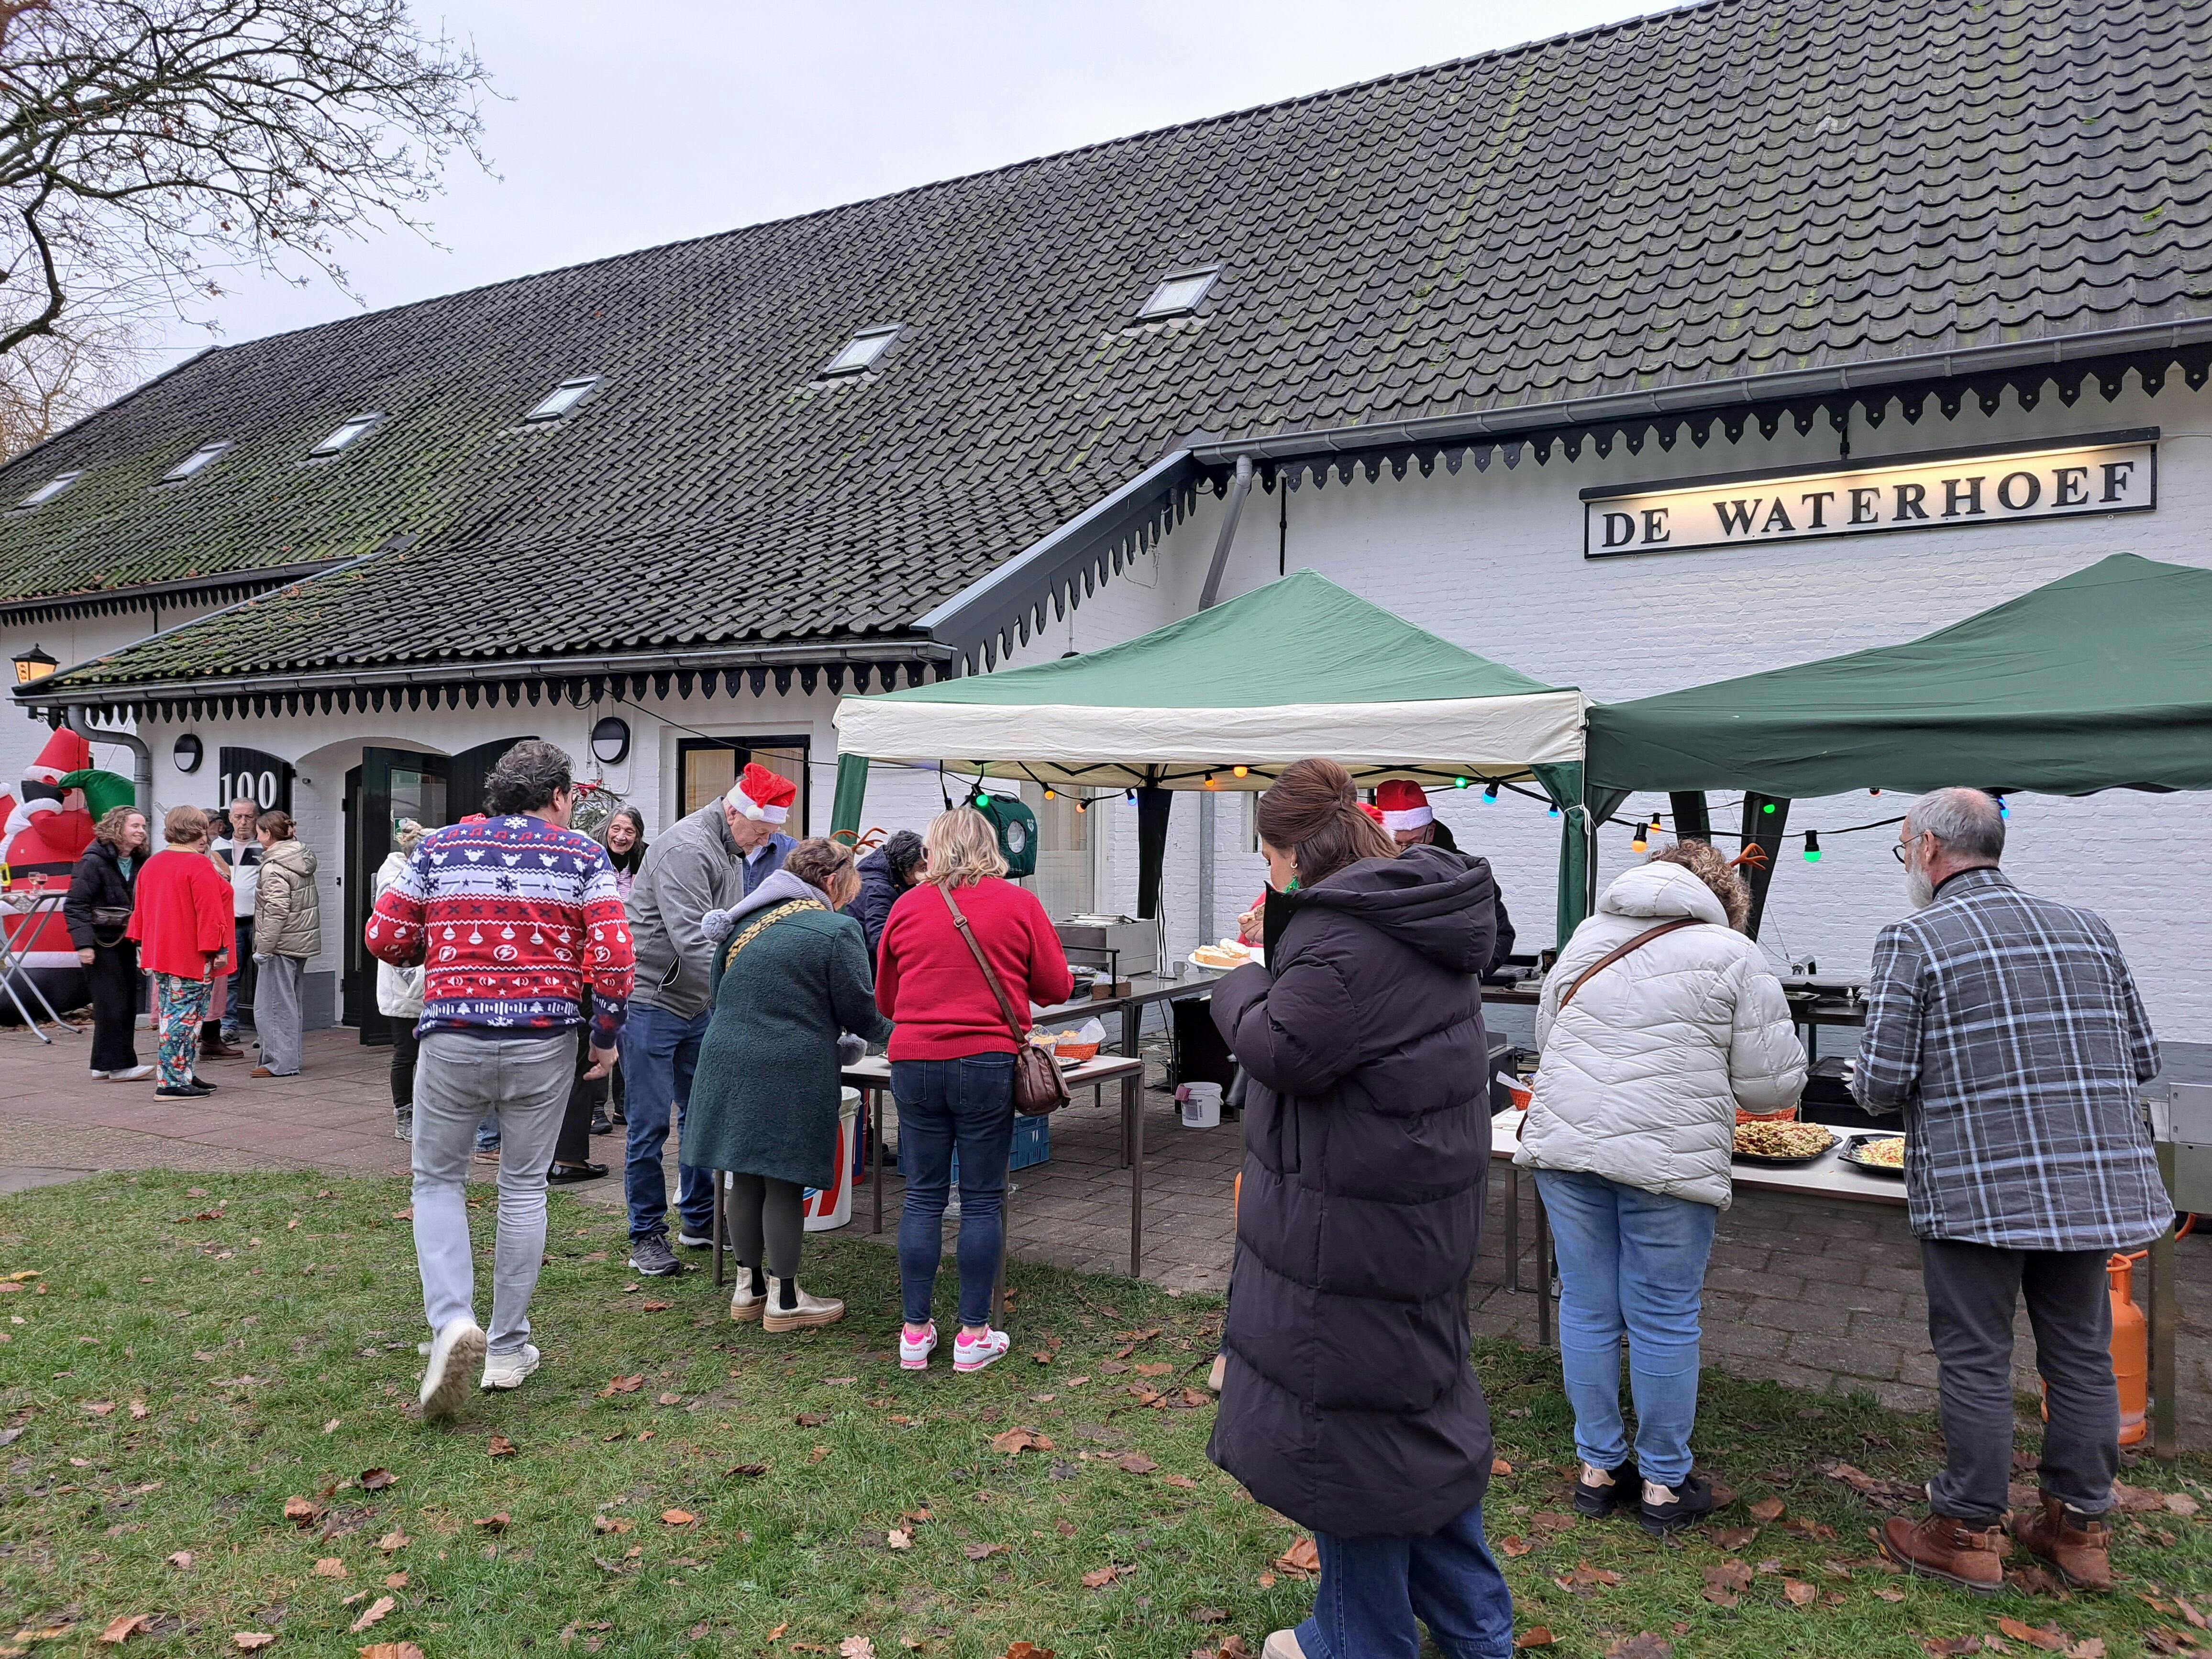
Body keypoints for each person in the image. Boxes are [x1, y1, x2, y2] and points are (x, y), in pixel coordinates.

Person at [1208, 758, 1511, 1659]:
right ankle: (1474, 1630)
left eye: (1266, 857)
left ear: (1294, 854)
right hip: (1407, 1208)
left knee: (1350, 1441)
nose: (1266, 876)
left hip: (1352, 1226)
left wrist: (1236, 974)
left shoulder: (1344, 938)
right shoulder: (1414, 911)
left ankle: (1355, 1640)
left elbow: (1283, 1044)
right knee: (1416, 1422)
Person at [1858, 788, 2168, 1595]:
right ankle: (2076, 1526)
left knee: (1973, 1356)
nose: (1907, 864)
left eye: (1902, 850)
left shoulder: (1913, 938)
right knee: (2078, 1352)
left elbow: (1878, 1083)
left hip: (1976, 1189)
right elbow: (2138, 1055)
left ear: (1926, 849)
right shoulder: (2088, 927)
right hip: (2091, 1182)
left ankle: (1963, 1528)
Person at [1516, 840, 1805, 1534]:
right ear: (1726, 897)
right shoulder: (1733, 954)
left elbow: (1549, 1037)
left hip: (1568, 1144)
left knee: (1585, 1304)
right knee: (1664, 1315)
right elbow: (1772, 1087)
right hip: (1669, 1155)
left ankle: (1597, 1469)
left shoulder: (1587, 937)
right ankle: (1663, 1486)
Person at [366, 740, 634, 1418]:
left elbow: (386, 937)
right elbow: (614, 959)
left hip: (453, 1033)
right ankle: (510, 1345)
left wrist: (439, 945)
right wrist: (603, 1039)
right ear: (559, 798)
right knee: (521, 1187)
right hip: (544, 1040)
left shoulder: (437, 848)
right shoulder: (583, 855)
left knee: (437, 1181)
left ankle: (451, 1322)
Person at [875, 807, 1072, 1374]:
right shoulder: (1019, 905)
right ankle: (973, 1335)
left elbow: (886, 1000)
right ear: (992, 848)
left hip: (913, 1061)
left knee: (923, 1195)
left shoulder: (907, 907)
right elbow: (1056, 985)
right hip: (987, 1061)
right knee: (983, 1197)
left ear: (933, 851)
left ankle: (914, 1333)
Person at [687, 837, 893, 1328]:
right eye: (850, 885)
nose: (852, 895)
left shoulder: (741, 923)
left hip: (725, 1060)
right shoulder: (835, 930)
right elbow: (860, 1011)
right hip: (788, 1065)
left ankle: (747, 1290)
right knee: (782, 1175)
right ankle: (785, 1301)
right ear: (829, 880)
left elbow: (718, 994)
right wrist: (907, 1035)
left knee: (744, 1173)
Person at [620, 762, 798, 1277]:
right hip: (654, 1000)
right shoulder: (686, 849)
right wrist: (748, 992)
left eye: (770, 835)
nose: (762, 843)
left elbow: (732, 927)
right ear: (734, 812)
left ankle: (698, 1220)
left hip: (699, 1003)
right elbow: (695, 942)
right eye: (761, 832)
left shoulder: (732, 848)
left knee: (704, 1119)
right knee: (649, 1125)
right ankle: (646, 1235)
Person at [127, 806, 235, 1098]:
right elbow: (209, 912)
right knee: (184, 1018)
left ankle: (180, 1071)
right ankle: (171, 1081)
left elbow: (141, 910)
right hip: (190, 952)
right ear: (197, 830)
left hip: (162, 950)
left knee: (178, 1016)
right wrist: (218, 948)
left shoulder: (153, 863)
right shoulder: (197, 864)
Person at [1377, 779, 1517, 972]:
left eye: (1415, 843)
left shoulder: (1469, 871)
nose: (1405, 852)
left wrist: (1476, 973)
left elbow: (1501, 933)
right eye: (1398, 844)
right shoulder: (1370, 872)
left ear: (1431, 833)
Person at [66, 804, 151, 1082]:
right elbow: (75, 905)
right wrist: (84, 945)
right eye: (135, 826)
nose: (141, 831)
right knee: (113, 1003)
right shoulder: (93, 861)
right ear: (118, 828)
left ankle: (103, 1064)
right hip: (101, 942)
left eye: (143, 826)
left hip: (126, 940)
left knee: (123, 1001)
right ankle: (119, 1066)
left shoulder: (140, 860)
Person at [246, 810, 319, 1079]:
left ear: (267, 834)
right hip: (299, 941)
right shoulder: (300, 858)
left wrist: (263, 948)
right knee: (290, 1004)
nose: (257, 835)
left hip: (280, 944)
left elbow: (277, 910)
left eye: (259, 831)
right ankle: (286, 1057)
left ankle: (281, 1062)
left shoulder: (275, 866)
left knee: (274, 1005)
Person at [374, 819, 428, 1140]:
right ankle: (404, 1115)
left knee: (432, 1055)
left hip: (429, 977)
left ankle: (427, 1112)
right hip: (404, 976)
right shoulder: (393, 879)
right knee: (406, 1052)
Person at [209, 796, 260, 1058]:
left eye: (249, 817)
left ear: (256, 818)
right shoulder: (218, 846)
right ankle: (229, 1027)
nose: (243, 822)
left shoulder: (264, 846)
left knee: (265, 976)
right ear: (230, 819)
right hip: (230, 921)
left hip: (260, 921)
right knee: (230, 976)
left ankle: (264, 1030)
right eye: (238, 817)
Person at [850, 828, 923, 959]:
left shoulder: (887, 873)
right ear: (903, 865)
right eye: (922, 867)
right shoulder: (878, 889)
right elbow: (881, 940)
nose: (927, 870)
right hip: (871, 964)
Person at [604, 805, 648, 902]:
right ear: (607, 829)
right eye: (616, 829)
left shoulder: (646, 857)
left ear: (637, 836)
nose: (620, 837)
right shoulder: (592, 854)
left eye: (629, 832)